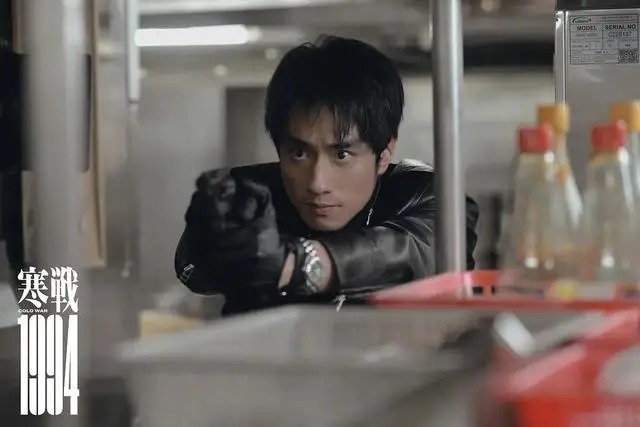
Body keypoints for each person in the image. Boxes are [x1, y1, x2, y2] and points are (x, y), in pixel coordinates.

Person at [174, 35, 479, 316]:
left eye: (342, 154)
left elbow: (417, 250)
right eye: (299, 153)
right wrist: (208, 238)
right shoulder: (255, 194)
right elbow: (194, 272)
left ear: (384, 154)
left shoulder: (428, 195)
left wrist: (296, 264)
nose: (317, 183)